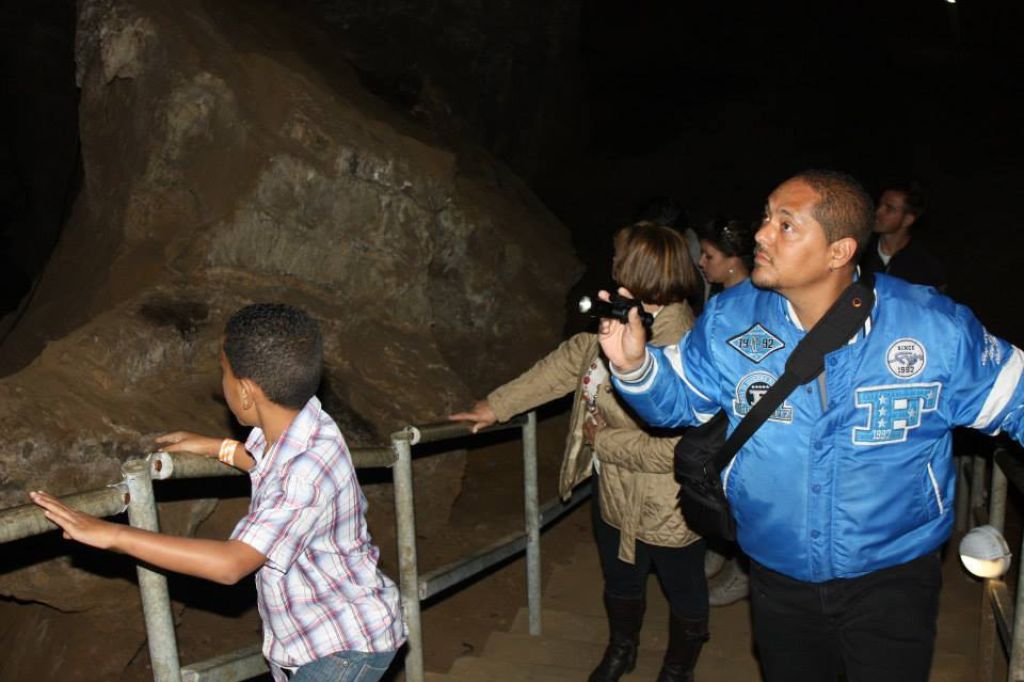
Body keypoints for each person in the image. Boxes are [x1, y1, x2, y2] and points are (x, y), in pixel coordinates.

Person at [598, 170, 1024, 682]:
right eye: (766, 218)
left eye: (786, 225)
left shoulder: (933, 328)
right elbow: (676, 404)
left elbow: (1015, 398)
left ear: (839, 251)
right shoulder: (731, 319)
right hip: (777, 571)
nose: (761, 234)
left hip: (892, 575)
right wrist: (634, 367)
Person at [30, 303, 406, 682]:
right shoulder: (309, 423)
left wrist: (112, 534)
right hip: (328, 630)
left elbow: (230, 564)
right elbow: (268, 461)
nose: (220, 382)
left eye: (223, 373)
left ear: (245, 392)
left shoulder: (303, 473)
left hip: (341, 647)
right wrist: (217, 448)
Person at [450, 222, 708, 682]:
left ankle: (676, 669)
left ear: (640, 268)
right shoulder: (627, 314)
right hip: (614, 489)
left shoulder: (683, 342)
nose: (611, 263)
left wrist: (600, 441)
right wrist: (497, 405)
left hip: (670, 503)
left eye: (619, 256)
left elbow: (675, 447)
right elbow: (572, 360)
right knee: (621, 579)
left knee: (684, 589)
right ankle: (621, 650)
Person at [694, 216, 757, 607]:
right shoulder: (720, 301)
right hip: (720, 413)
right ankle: (720, 546)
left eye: (709, 255)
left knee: (747, 495)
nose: (701, 262)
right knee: (719, 491)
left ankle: (744, 571)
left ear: (733, 260)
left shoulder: (757, 300)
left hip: (748, 415)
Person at [860, 180, 946, 290]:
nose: (878, 212)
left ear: (907, 220)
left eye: (889, 208)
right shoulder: (860, 250)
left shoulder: (924, 265)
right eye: (880, 204)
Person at [697, 217, 755, 296]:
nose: (700, 262)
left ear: (733, 261)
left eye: (709, 257)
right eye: (702, 254)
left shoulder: (719, 305)